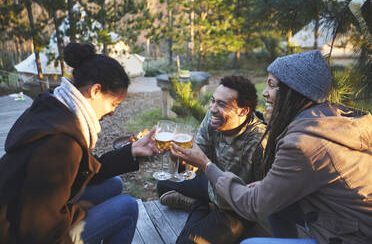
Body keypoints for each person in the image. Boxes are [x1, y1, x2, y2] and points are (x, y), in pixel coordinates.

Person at [171, 50, 372, 244]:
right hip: (343, 222)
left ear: (292, 92)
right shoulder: (331, 119)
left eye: (271, 85)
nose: (265, 93)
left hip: (351, 237)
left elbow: (253, 206)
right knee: (168, 184)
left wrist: (206, 165)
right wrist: (267, 186)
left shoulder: (303, 144)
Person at [0, 42, 159, 244]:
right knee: (127, 207)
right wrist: (78, 211)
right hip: (20, 234)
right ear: (95, 91)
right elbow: (39, 230)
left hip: (18, 214)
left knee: (114, 184)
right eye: (113, 103)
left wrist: (132, 151)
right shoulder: (61, 144)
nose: (112, 111)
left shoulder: (55, 108)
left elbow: (83, 170)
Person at [160, 76, 269, 243]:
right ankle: (200, 204)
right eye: (213, 101)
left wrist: (202, 164)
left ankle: (198, 206)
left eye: (221, 104)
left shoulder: (260, 141)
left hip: (236, 208)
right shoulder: (214, 119)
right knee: (164, 183)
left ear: (243, 111)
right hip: (212, 186)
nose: (212, 108)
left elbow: (262, 195)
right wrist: (181, 159)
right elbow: (198, 155)